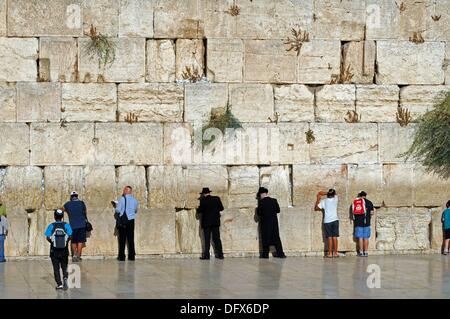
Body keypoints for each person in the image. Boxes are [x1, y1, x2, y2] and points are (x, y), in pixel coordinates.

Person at [44, 209, 72, 290]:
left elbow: (47, 237)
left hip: (54, 251)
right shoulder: (66, 225)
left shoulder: (51, 226)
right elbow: (70, 236)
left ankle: (59, 284)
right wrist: (66, 242)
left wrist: (53, 243)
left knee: (56, 268)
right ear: (62, 216)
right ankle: (65, 277)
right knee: (64, 266)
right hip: (64, 250)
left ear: (54, 216)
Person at [256, 187, 286, 259]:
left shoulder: (261, 202)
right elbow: (278, 210)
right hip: (274, 224)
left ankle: (265, 255)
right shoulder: (274, 200)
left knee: (265, 239)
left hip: (265, 224)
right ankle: (280, 254)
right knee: (276, 238)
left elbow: (259, 213)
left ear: (261, 194)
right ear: (266, 193)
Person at [197, 187, 224, 260]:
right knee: (217, 238)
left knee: (207, 239)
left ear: (204, 194)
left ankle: (206, 256)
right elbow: (221, 208)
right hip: (215, 222)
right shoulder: (217, 199)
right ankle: (220, 255)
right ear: (209, 192)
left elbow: (199, 211)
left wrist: (199, 208)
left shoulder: (203, 201)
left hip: (206, 223)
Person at [62, 191, 87, 262]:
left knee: (73, 241)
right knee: (80, 241)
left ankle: (74, 255)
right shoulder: (82, 203)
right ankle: (78, 256)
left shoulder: (68, 204)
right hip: (82, 225)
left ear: (71, 197)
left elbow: (61, 210)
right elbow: (85, 213)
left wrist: (68, 211)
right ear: (77, 196)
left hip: (73, 225)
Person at [115, 186, 139, 261]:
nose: (123, 191)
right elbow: (135, 210)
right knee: (131, 239)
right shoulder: (135, 200)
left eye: (124, 189)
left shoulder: (122, 199)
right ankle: (132, 256)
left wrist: (116, 206)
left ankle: (121, 257)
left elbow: (118, 211)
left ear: (126, 191)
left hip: (124, 221)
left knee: (122, 239)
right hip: (131, 221)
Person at [315, 189, 340, 258]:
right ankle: (335, 253)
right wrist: (329, 193)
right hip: (335, 220)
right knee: (335, 237)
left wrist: (318, 199)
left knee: (329, 237)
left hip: (327, 221)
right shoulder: (336, 199)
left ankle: (329, 254)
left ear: (328, 194)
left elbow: (316, 208)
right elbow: (334, 194)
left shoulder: (324, 201)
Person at [352, 191, 375, 257]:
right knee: (366, 237)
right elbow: (372, 213)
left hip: (358, 222)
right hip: (367, 222)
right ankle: (366, 252)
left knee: (360, 238)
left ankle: (361, 252)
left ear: (359, 195)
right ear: (365, 195)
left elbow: (353, 212)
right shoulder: (369, 202)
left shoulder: (355, 202)